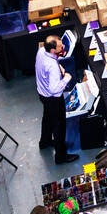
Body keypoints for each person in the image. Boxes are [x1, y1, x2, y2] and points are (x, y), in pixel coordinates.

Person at [36, 35, 76, 164]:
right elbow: (54, 89)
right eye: (60, 46)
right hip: (53, 98)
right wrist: (66, 78)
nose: (63, 47)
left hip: (42, 94)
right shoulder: (52, 67)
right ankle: (61, 156)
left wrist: (59, 66)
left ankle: (45, 141)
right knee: (59, 126)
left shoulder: (42, 51)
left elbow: (51, 62)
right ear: (53, 50)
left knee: (47, 118)